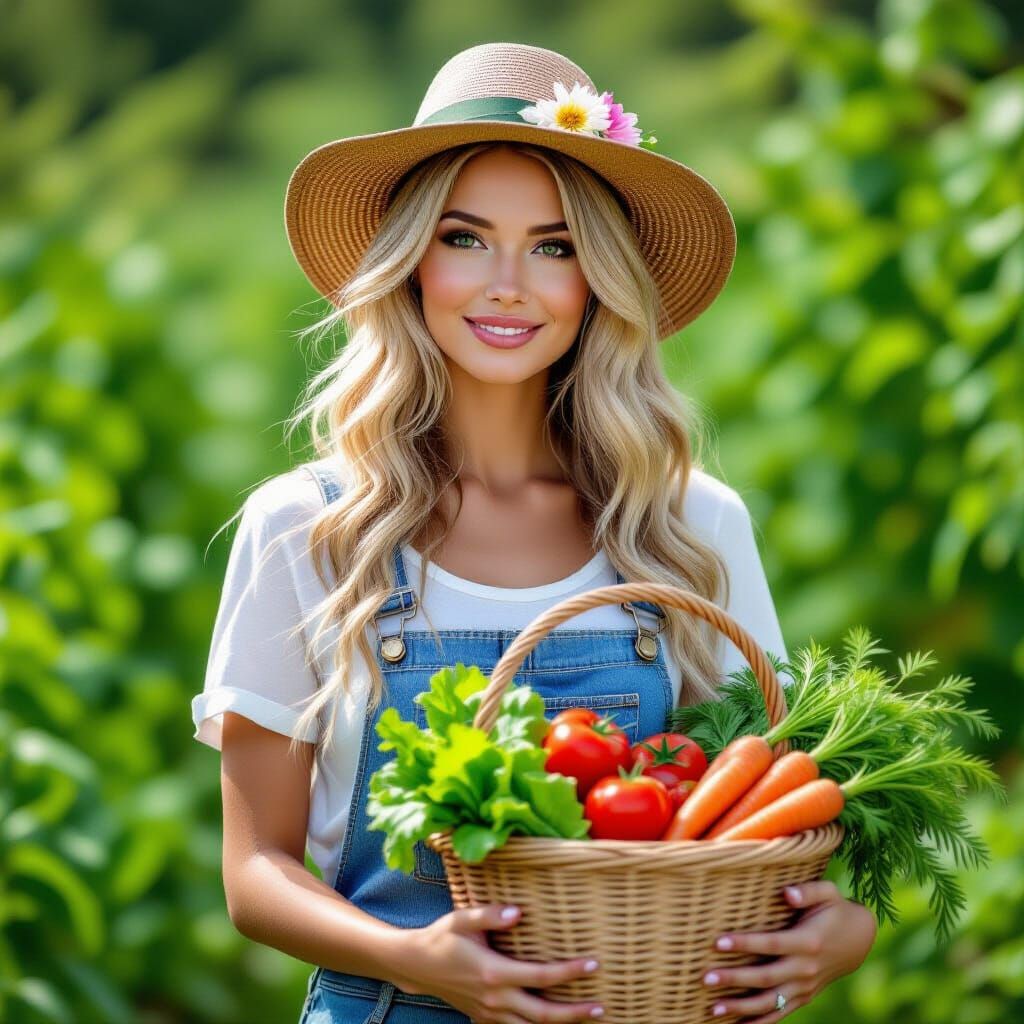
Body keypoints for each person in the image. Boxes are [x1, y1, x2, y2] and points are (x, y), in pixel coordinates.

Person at [191, 42, 877, 1024]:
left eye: (555, 247)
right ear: (411, 259)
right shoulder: (311, 527)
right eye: (466, 238)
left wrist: (840, 929)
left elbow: (768, 814)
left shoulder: (685, 524)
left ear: (597, 282)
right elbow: (253, 869)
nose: (509, 283)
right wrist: (419, 960)